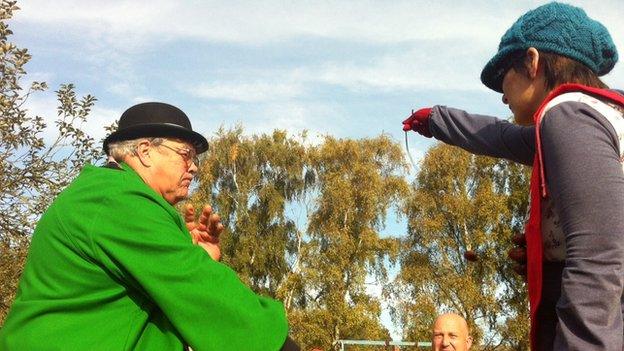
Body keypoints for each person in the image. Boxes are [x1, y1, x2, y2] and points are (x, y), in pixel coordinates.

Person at [403, 2, 622, 350]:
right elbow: (502, 136)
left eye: (504, 73)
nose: (502, 94)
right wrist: (436, 120)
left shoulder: (568, 115)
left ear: (532, 62)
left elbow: (600, 257)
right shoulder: (598, 113)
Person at [0, 102, 299, 350]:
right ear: (144, 151)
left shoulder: (110, 195)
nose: (194, 166)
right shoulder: (116, 199)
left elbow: (170, 290)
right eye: (186, 155)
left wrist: (192, 255)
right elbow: (201, 290)